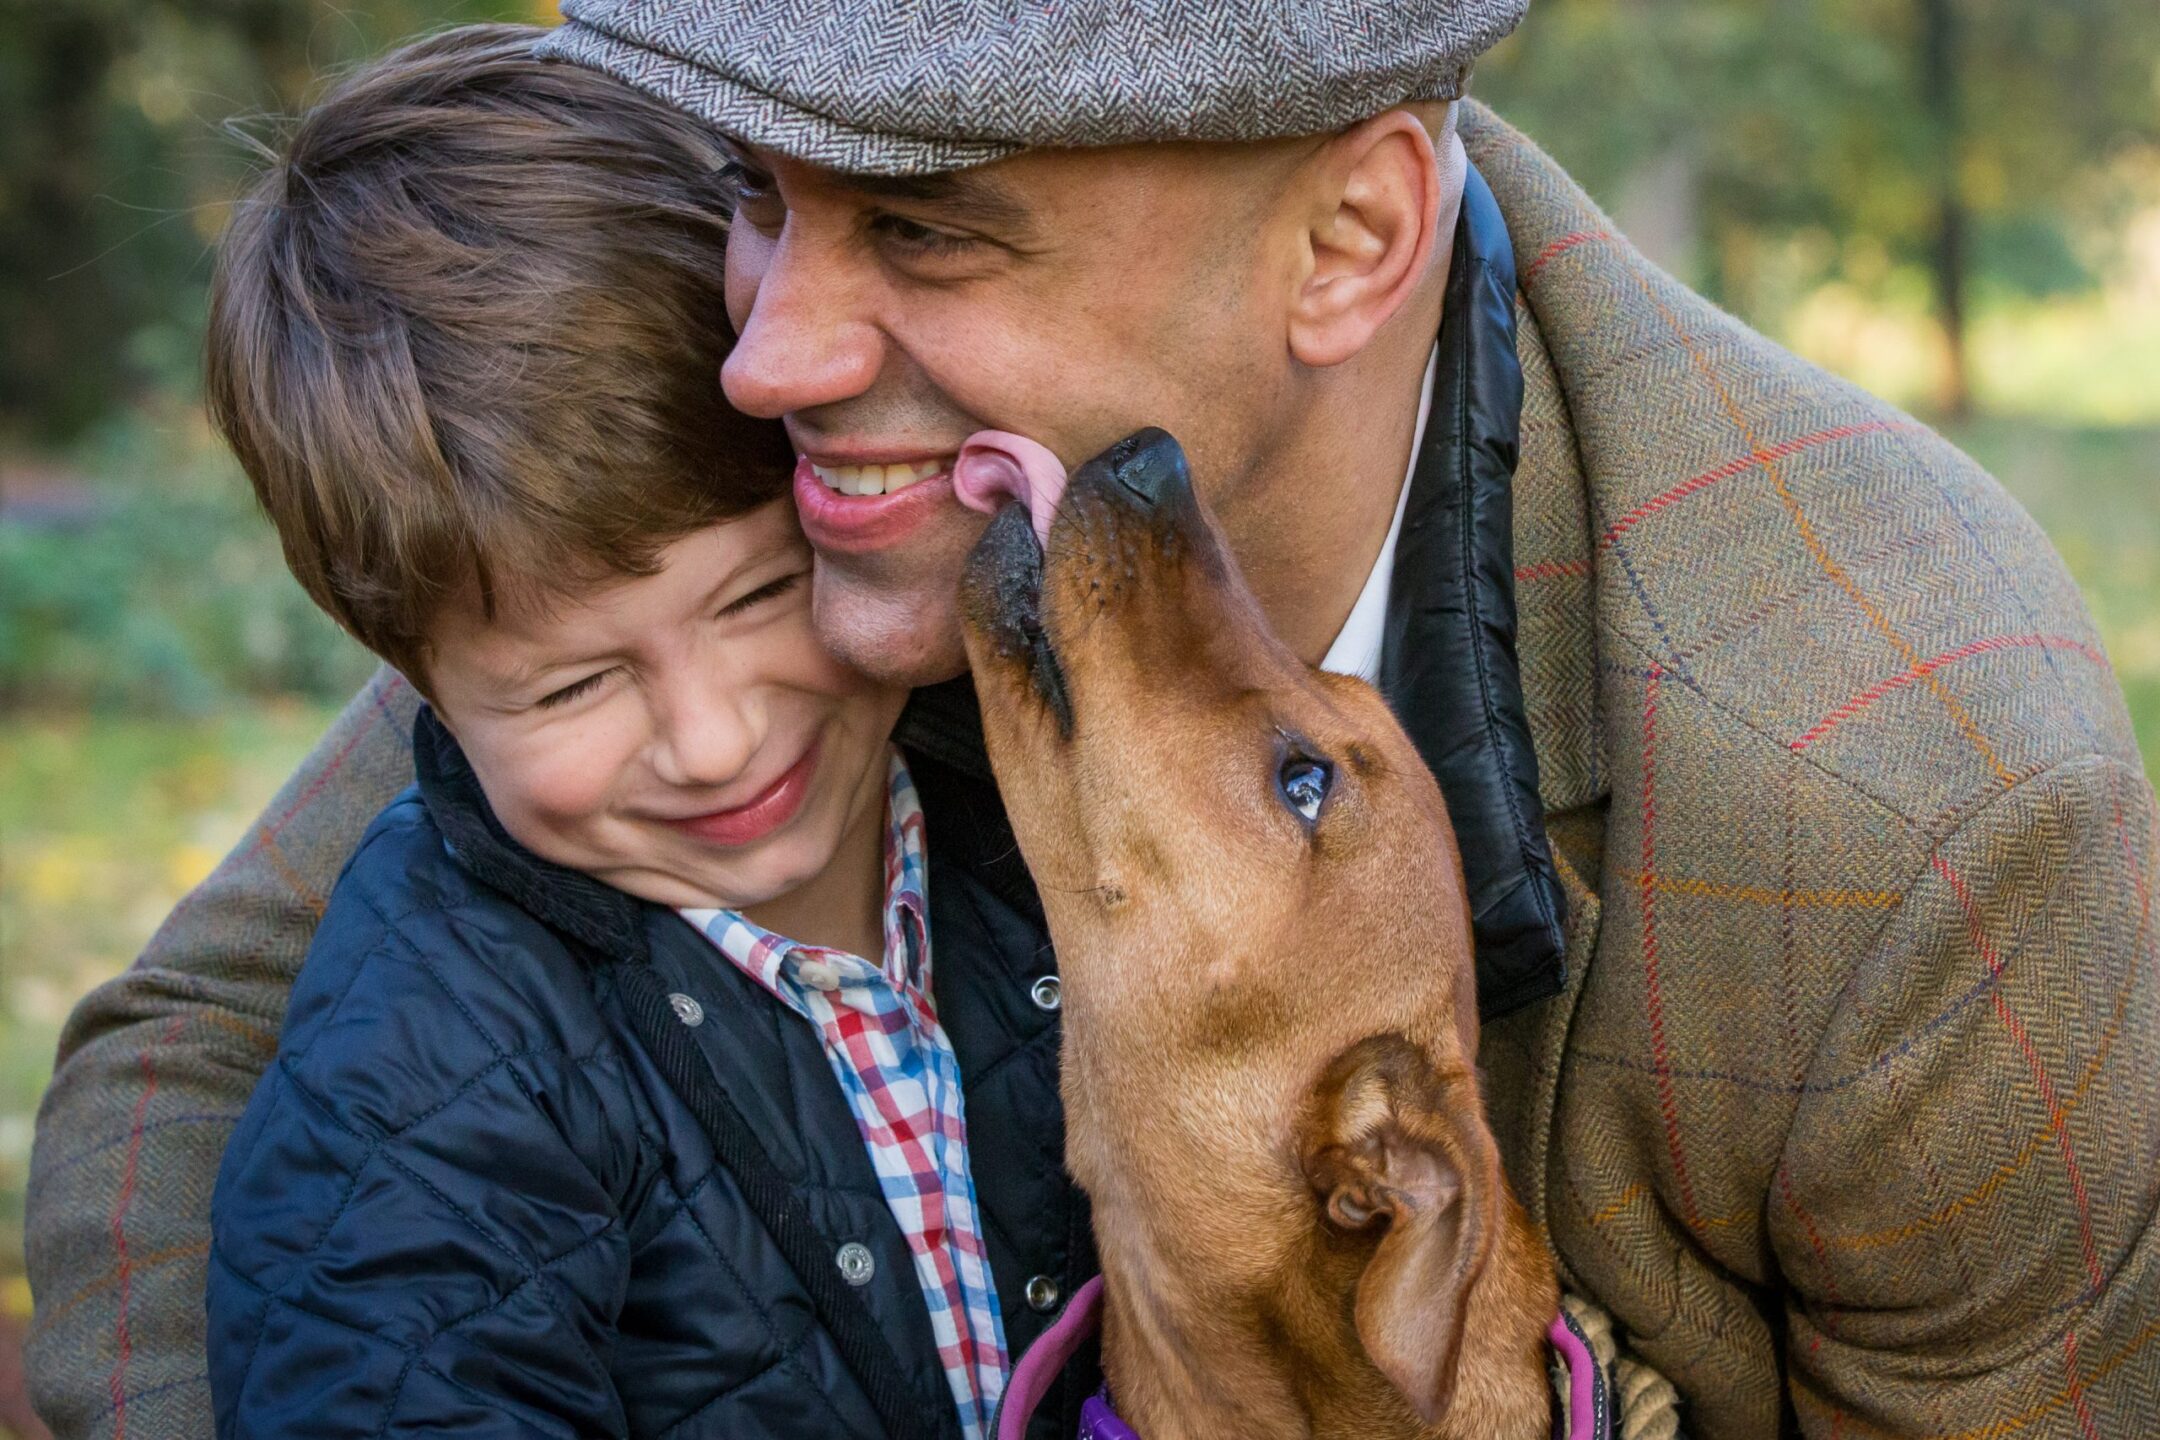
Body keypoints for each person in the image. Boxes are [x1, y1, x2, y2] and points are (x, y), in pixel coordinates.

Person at [26, 2, 2160, 1436]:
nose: (762, 356)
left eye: (927, 230)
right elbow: (193, 1064)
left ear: (1349, 239)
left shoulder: (1912, 806)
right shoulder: (818, 531)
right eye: (757, 194)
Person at [171, 25, 1020, 1438]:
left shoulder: (1025, 818)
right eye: (572, 687)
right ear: (417, 689)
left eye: (757, 593)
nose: (708, 738)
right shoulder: (423, 1082)